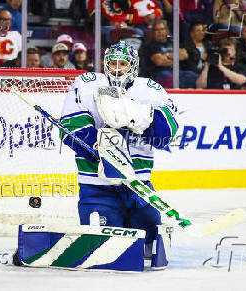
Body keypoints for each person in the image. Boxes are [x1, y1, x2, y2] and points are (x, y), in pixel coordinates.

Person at [60, 41, 177, 269]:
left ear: (133, 66)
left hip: (138, 185)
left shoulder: (150, 90)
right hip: (96, 185)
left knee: (150, 245)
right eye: (112, 63)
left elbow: (167, 132)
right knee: (104, 250)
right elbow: (69, 128)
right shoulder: (86, 85)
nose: (116, 69)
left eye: (122, 63)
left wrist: (138, 117)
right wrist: (100, 146)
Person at [139, 19, 196, 88]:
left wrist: (166, 56)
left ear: (166, 31)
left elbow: (184, 55)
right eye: (157, 30)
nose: (160, 32)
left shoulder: (173, 42)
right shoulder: (149, 45)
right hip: (159, 73)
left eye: (162, 29)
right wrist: (176, 58)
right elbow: (159, 61)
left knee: (193, 76)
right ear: (153, 32)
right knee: (170, 78)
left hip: (178, 72)